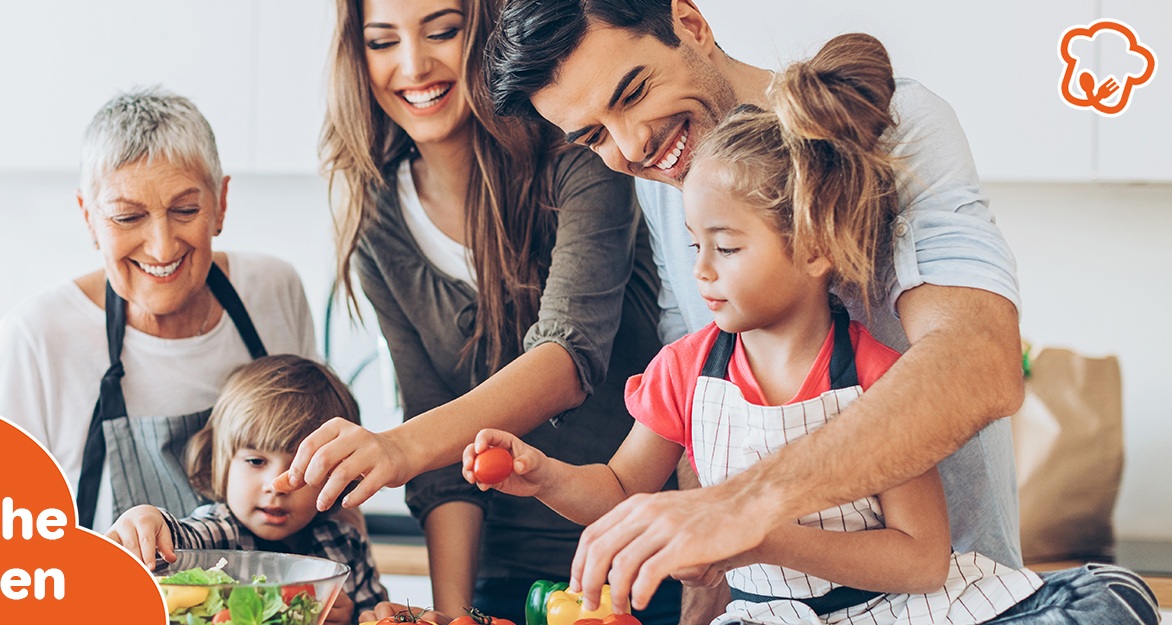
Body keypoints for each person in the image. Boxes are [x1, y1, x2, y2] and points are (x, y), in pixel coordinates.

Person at [468, 34, 1159, 625]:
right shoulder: (686, 351)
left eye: (728, 248)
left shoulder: (878, 375)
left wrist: (752, 523)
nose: (630, 146)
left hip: (921, 605)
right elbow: (628, 487)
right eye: (592, 135)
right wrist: (548, 475)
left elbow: (924, 547)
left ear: (812, 246)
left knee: (1106, 598)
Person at [273, 0, 677, 622]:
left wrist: (399, 447)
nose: (413, 65)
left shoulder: (580, 153)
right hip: (503, 573)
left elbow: (568, 358)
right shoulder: (378, 216)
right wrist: (454, 612)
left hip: (639, 557)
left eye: (443, 31)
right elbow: (440, 464)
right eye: (383, 42)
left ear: (486, 33)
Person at [0, 87, 319, 533]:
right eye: (127, 217)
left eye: (184, 209)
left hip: (275, 600)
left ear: (220, 203)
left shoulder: (274, 291)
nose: (161, 246)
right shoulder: (36, 337)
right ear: (89, 218)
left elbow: (328, 471)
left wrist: (354, 589)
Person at [106, 355, 387, 625]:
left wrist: (352, 619)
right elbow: (176, 542)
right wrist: (147, 519)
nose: (276, 485)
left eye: (302, 469)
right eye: (256, 461)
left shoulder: (346, 544)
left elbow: (377, 615)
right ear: (221, 464)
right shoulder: (218, 532)